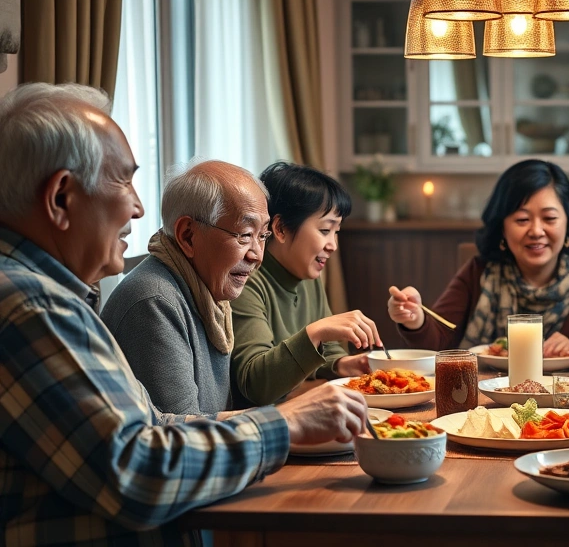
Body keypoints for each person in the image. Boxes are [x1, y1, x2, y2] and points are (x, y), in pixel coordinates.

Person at [0, 82, 368, 544]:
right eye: (123, 181)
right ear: (60, 198)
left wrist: (293, 416)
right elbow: (139, 472)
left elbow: (156, 425)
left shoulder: (58, 295)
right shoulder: (33, 305)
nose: (137, 207)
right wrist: (286, 423)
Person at [388, 159, 569, 359]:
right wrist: (414, 319)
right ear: (502, 228)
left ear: (568, 222)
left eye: (549, 218)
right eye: (521, 220)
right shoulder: (479, 272)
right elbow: (438, 341)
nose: (536, 231)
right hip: (489, 396)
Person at [102, 159, 278, 414]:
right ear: (187, 235)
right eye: (244, 235)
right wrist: (290, 419)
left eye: (262, 236)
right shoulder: (154, 302)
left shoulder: (209, 291)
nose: (257, 255)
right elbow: (184, 437)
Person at [231, 162, 376, 407]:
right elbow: (256, 384)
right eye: (324, 230)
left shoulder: (307, 275)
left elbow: (327, 350)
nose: (333, 245)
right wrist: (315, 332)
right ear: (280, 228)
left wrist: (342, 364)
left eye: (336, 232)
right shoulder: (246, 282)